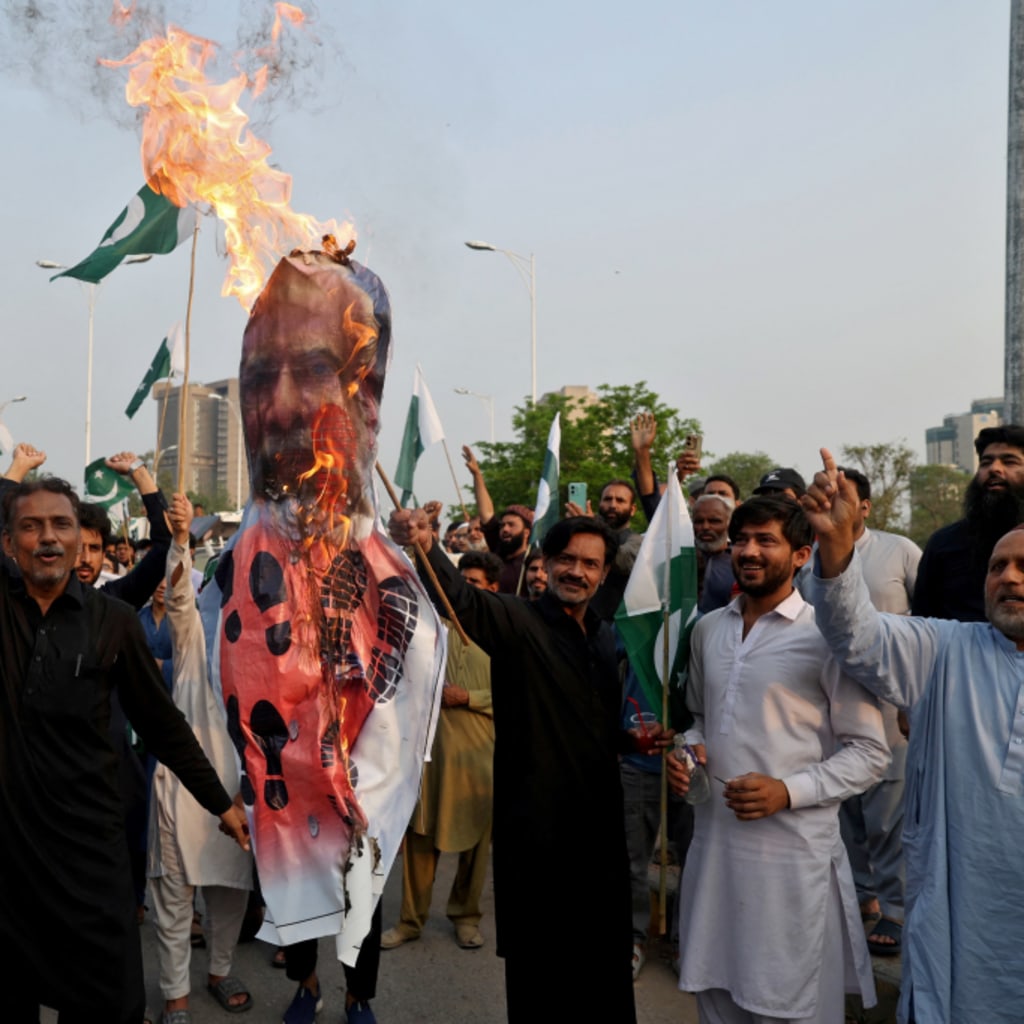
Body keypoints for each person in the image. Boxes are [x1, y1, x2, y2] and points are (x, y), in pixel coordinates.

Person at [200, 244, 444, 1024]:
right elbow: (211, 685)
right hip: (280, 789)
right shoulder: (227, 573)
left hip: (362, 790)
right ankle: (304, 985)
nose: (277, 407)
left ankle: (359, 997)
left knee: (360, 895)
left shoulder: (397, 575)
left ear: (365, 398)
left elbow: (413, 702)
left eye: (311, 371)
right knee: (294, 887)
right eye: (257, 378)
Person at [388, 509, 663, 1023]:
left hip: (599, 833)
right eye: (565, 560)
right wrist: (425, 547)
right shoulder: (518, 621)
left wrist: (634, 740)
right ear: (547, 563)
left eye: (589, 564)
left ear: (604, 574)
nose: (576, 571)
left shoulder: (603, 637)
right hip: (537, 836)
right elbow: (465, 601)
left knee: (602, 968)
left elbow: (594, 723)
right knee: (541, 978)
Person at [0, 477, 249, 1023]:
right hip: (10, 853)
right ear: (8, 543)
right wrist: (14, 473)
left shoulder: (111, 619)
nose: (48, 537)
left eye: (61, 525)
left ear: (78, 539)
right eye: (31, 525)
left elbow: (162, 725)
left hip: (89, 849)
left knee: (107, 1002)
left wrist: (221, 803)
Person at [801, 448, 1024, 1023]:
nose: (1008, 579)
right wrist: (836, 547)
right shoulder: (947, 648)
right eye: (998, 567)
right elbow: (856, 634)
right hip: (960, 919)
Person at [667, 495, 888, 1024]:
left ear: (802, 555)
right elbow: (699, 718)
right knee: (715, 997)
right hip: (715, 850)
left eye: (766, 540)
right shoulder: (707, 629)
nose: (748, 550)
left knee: (787, 1004)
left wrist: (787, 791)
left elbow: (869, 751)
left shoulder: (828, 636)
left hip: (790, 862)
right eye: (740, 539)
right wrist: (687, 752)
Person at [150, 494, 254, 1021]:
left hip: (238, 793)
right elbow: (180, 598)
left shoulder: (263, 646)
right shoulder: (194, 636)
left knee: (230, 892)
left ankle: (219, 969)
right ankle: (176, 997)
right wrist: (182, 538)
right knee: (173, 898)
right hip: (182, 787)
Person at [382, 549, 498, 952]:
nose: (461, 595)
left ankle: (466, 916)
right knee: (419, 839)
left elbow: (523, 694)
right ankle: (410, 921)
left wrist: (470, 697)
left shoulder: (503, 634)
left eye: (474, 586)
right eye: (457, 585)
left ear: (492, 589)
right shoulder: (427, 632)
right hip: (427, 759)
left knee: (474, 849)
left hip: (478, 761)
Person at [827, 467, 920, 956]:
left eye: (847, 497)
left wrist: (912, 696)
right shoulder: (817, 558)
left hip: (891, 704)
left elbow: (928, 619)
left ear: (864, 507)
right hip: (834, 703)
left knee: (889, 816)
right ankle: (863, 900)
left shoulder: (899, 550)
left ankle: (896, 909)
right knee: (847, 814)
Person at [912, 424, 1024, 621]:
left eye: (1009, 461)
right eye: (986, 462)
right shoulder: (944, 544)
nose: (994, 469)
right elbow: (923, 626)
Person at [692, 492, 737, 613]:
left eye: (714, 521)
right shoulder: (679, 558)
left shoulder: (741, 561)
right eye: (699, 521)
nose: (705, 527)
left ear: (729, 523)